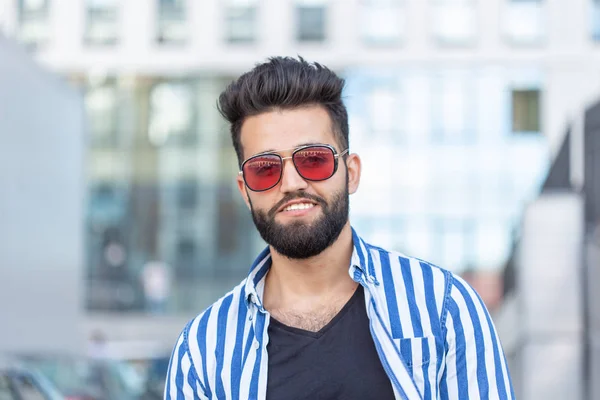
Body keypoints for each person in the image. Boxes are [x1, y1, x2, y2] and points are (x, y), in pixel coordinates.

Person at [165, 57, 514, 400]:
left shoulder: (442, 307)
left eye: (313, 159)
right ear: (245, 190)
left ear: (352, 172)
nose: (291, 183)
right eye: (265, 168)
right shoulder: (202, 352)